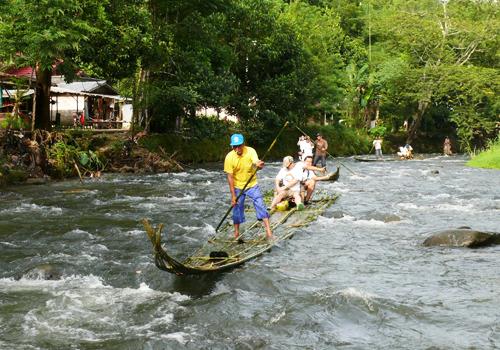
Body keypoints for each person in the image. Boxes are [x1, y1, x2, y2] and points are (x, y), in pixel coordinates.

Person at [224, 133, 272, 240]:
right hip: (237, 186)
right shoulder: (229, 157)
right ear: (232, 146)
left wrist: (259, 165)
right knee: (237, 208)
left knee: (260, 204)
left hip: (252, 184)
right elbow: (230, 177)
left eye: (239, 145)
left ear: (243, 144)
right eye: (234, 146)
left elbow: (256, 162)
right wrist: (233, 196)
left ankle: (269, 232)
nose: (237, 148)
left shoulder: (250, 151)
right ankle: (236, 232)